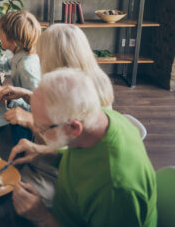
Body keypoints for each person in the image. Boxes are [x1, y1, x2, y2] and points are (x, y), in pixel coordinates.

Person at [9, 68, 157, 226]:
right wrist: (45, 152)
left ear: (73, 128)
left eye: (42, 128)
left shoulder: (115, 188)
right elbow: (85, 159)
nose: (37, 131)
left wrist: (42, 217)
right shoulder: (96, 118)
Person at [0, 23, 114, 131]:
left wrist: (30, 120)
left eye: (41, 54)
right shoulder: (94, 79)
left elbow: (65, 142)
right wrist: (25, 93)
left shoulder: (75, 93)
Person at [0, 10, 41, 111]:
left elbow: (37, 107)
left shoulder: (27, 68)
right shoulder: (21, 55)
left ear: (13, 37)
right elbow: (6, 62)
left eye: (1, 32)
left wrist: (2, 91)